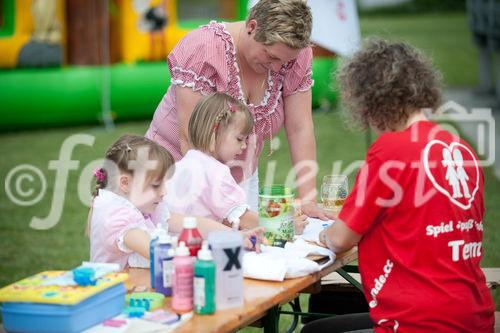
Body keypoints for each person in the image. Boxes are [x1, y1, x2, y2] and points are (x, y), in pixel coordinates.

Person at [307, 40, 495, 333]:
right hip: (473, 313)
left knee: (314, 330)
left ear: (371, 100)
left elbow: (340, 239)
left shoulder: (390, 149)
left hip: (420, 320)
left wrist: (322, 233)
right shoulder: (460, 148)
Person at [145, 0, 330, 219]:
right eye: (271, 56)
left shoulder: (293, 57)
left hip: (241, 178)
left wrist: (308, 199)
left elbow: (300, 127)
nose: (279, 68)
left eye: (286, 61)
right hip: (177, 172)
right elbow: (192, 143)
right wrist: (227, 212)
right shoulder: (203, 49)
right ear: (252, 27)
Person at [88, 134, 265, 270]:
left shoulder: (140, 204)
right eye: (156, 185)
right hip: (112, 299)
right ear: (125, 183)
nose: (164, 192)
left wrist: (235, 236)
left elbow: (192, 224)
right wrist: (205, 249)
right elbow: (155, 250)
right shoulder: (117, 216)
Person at [166, 92, 309, 233]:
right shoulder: (216, 173)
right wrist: (284, 225)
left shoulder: (181, 165)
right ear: (214, 132)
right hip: (197, 246)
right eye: (239, 139)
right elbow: (244, 217)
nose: (244, 146)